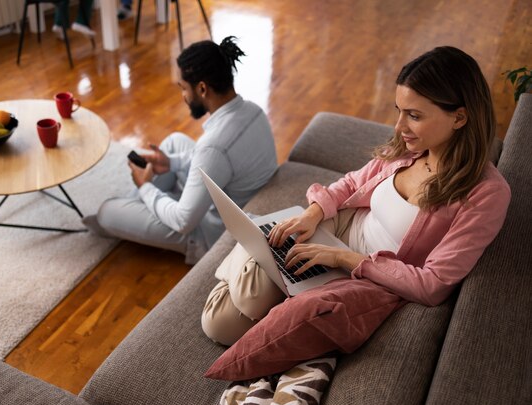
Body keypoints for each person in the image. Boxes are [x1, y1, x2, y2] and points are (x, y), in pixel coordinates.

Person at [201, 46, 511, 348]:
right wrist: (313, 214)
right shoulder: (411, 148)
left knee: (226, 318)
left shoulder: (486, 193)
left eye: (414, 116)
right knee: (233, 308)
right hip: (338, 228)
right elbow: (352, 184)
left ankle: (251, 245)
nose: (399, 127)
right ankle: (258, 244)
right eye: (399, 111)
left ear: (459, 118)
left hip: (359, 273)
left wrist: (341, 258)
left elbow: (433, 285)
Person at [83, 36, 278, 265]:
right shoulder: (253, 111)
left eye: (184, 88)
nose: (183, 96)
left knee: (107, 212)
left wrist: (145, 188)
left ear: (202, 88)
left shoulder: (213, 146)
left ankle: (139, 204)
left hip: (210, 232)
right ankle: (148, 202)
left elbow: (184, 221)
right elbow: (220, 161)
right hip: (228, 197)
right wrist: (171, 163)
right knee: (175, 141)